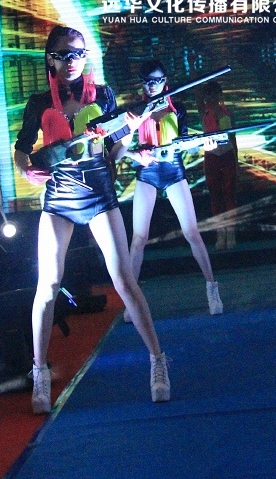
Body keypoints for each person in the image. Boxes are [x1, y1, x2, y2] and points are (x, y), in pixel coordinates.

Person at [13, 26, 170, 411]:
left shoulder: (102, 95)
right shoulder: (39, 102)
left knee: (125, 281)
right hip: (59, 197)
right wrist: (27, 171)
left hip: (99, 193)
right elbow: (21, 150)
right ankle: (39, 372)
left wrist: (130, 130)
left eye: (79, 54)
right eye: (64, 54)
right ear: (50, 58)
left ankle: (158, 361)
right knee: (47, 286)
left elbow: (114, 152)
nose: (72, 61)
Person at [117, 59, 223, 316]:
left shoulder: (178, 107)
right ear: (142, 84)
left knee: (192, 232)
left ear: (165, 81)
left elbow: (183, 141)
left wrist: (203, 144)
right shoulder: (134, 111)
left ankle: (212, 287)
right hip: (147, 173)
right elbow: (117, 149)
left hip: (174, 171)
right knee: (138, 239)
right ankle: (131, 302)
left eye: (158, 80)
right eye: (148, 82)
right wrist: (135, 154)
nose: (153, 86)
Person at [195, 81, 238, 250]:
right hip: (212, 155)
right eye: (209, 94)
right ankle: (220, 233)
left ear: (220, 95)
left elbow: (233, 138)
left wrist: (236, 160)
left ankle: (231, 233)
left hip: (227, 154)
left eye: (215, 93)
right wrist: (193, 69)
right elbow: (197, 93)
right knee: (215, 195)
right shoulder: (203, 111)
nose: (212, 97)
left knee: (229, 194)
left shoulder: (228, 112)